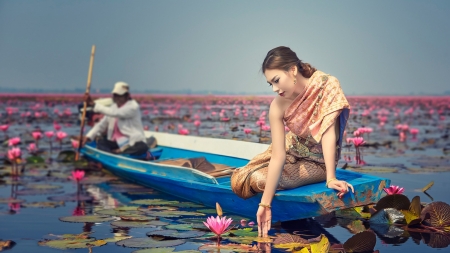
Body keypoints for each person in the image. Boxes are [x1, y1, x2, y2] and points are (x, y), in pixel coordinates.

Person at [230, 46, 353, 237]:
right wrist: (265, 204)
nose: (275, 89)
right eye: (270, 84)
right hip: (290, 149)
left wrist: (331, 178)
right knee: (241, 177)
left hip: (317, 162)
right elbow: (278, 155)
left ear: (293, 70)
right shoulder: (277, 106)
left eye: (277, 81)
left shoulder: (326, 85)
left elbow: (330, 134)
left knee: (258, 180)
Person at [81, 81, 148, 156]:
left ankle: (120, 152)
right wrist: (88, 136)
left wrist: (93, 104)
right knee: (101, 142)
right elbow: (101, 125)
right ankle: (113, 154)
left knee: (142, 147)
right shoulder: (113, 107)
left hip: (132, 142)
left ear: (127, 96)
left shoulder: (133, 107)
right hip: (117, 143)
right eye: (115, 95)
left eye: (120, 95)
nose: (117, 98)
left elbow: (116, 113)